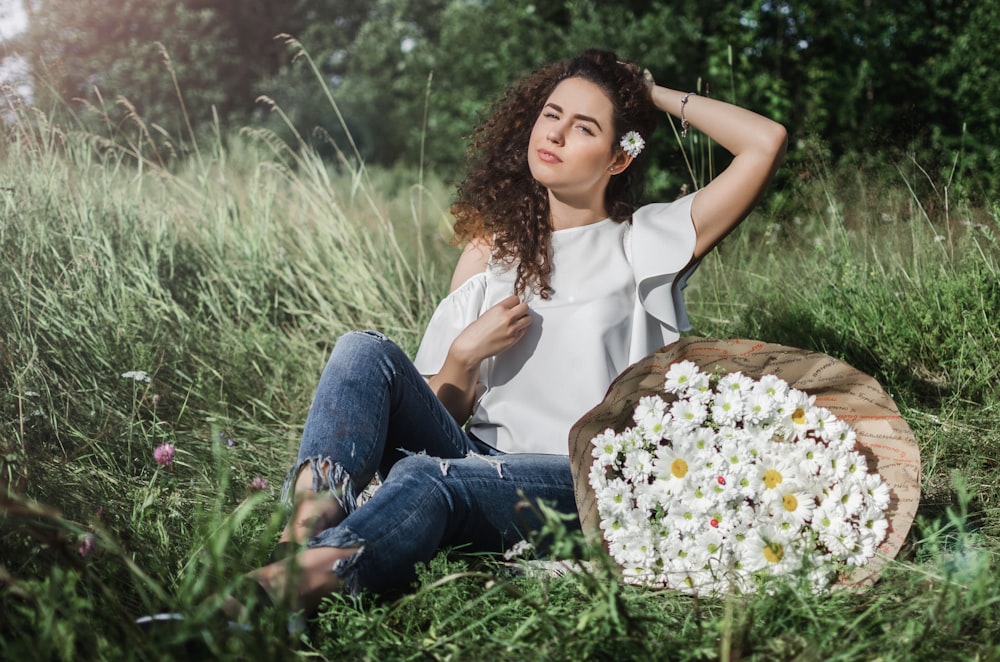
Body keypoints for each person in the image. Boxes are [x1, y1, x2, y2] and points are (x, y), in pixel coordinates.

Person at [226, 48, 786, 619]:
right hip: (476, 463)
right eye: (552, 114)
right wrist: (463, 360)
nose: (558, 133)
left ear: (618, 159)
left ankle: (281, 593)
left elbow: (764, 142)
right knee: (360, 352)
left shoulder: (646, 242)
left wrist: (651, 93)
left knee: (427, 479)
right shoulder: (489, 257)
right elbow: (437, 418)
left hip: (585, 482)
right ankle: (295, 550)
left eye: (584, 127)